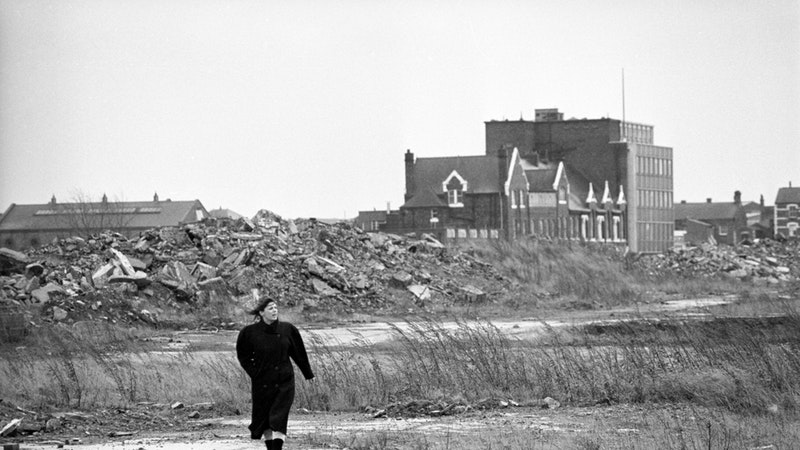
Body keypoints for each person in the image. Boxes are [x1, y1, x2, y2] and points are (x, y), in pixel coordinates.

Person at [236, 296, 315, 450]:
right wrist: (255, 372)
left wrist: (308, 374)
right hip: (262, 382)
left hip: (285, 380)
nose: (274, 310)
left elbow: (299, 353)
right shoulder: (249, 332)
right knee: (264, 418)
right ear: (261, 312)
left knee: (279, 416)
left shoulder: (288, 329)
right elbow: (243, 356)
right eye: (270, 308)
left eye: (276, 307)